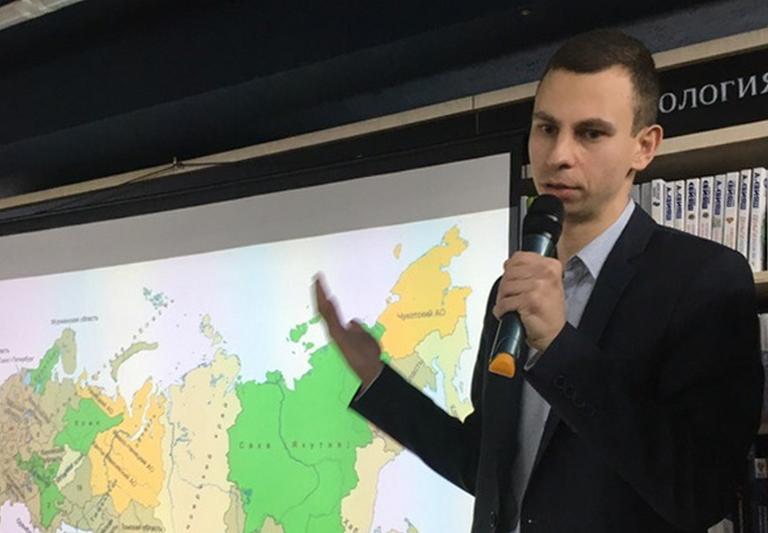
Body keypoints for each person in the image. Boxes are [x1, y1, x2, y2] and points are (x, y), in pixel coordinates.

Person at [315, 29, 763, 533]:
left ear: (644, 146)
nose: (558, 155)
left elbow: (699, 494)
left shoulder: (704, 281)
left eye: (590, 133)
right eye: (547, 128)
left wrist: (557, 346)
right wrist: (377, 379)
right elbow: (485, 467)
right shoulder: (511, 289)